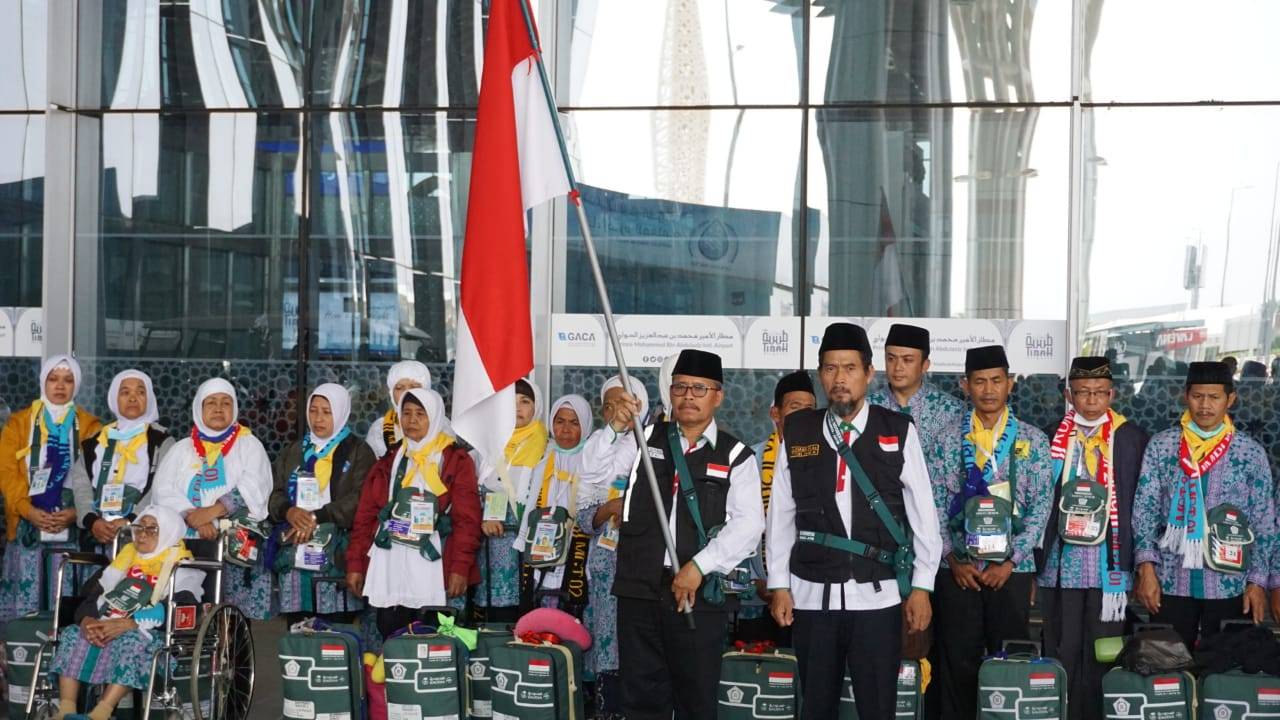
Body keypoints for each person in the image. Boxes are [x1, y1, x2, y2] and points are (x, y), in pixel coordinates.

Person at [766, 323, 942, 719]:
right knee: (816, 706)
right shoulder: (798, 430)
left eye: (849, 368)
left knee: (878, 707)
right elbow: (781, 514)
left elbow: (923, 515)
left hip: (877, 596)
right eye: (830, 369)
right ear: (820, 374)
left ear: (868, 373)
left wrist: (921, 586)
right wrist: (778, 583)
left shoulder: (896, 430)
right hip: (812, 595)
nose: (839, 378)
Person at [613, 349, 764, 720]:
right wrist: (615, 429)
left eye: (699, 388)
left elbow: (748, 526)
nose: (688, 397)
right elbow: (595, 473)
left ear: (718, 395)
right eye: (680, 387)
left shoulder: (736, 455)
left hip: (696, 595)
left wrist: (699, 566)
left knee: (696, 699)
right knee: (640, 698)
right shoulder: (644, 437)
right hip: (639, 590)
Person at [933, 345, 1052, 720]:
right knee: (958, 660)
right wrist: (951, 558)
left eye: (996, 381)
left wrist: (1013, 559)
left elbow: (1042, 506)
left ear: (1010, 384)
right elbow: (933, 502)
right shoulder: (947, 438)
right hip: (959, 573)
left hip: (1009, 574)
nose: (988, 389)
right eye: (979, 381)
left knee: (1010, 660)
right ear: (965, 386)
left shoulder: (1033, 440)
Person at [1132, 361, 1275, 650]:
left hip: (1230, 583)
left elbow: (1263, 521)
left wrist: (1258, 581)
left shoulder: (1250, 452)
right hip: (1170, 579)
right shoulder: (1163, 446)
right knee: (1166, 669)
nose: (1205, 406)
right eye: (1198, 396)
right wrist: (1146, 569)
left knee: (1223, 669)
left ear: (1230, 399)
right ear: (1185, 396)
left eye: (1214, 397)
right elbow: (1144, 509)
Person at [1037, 357, 1149, 720]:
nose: (1091, 400)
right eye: (1083, 392)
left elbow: (1140, 502)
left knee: (1106, 647)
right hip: (1061, 563)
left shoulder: (1130, 438)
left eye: (1100, 393)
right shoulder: (1051, 434)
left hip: (1108, 565)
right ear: (1069, 394)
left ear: (1112, 394)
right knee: (1063, 646)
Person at [345, 388, 482, 638]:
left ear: (436, 417)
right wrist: (356, 563)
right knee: (391, 631)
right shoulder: (390, 460)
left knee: (437, 638)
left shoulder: (454, 461)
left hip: (436, 567)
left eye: (421, 413)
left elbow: (467, 520)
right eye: (406, 413)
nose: (412, 420)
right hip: (391, 565)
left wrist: (460, 568)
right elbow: (366, 516)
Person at [49, 506, 203, 720]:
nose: (142, 534)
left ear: (168, 532)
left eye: (153, 529)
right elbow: (91, 598)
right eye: (139, 527)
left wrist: (131, 624)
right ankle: (66, 710)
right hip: (107, 623)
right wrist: (87, 621)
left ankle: (101, 713)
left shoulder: (182, 567)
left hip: (150, 633)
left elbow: (183, 610)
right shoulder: (123, 560)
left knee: (131, 641)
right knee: (73, 634)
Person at [152, 378, 274, 620]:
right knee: (186, 612)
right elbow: (162, 491)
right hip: (186, 543)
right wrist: (191, 515)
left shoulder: (249, 445)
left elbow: (256, 486)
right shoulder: (182, 449)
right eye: (211, 403)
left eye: (226, 402)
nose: (218, 408)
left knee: (231, 621)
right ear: (199, 407)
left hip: (233, 547)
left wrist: (214, 511)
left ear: (235, 408)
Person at [0, 355, 102, 621]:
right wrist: (27, 510)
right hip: (28, 525)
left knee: (65, 599)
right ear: (43, 382)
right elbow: (7, 473)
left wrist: (75, 512)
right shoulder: (19, 423)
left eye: (68, 380)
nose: (60, 386)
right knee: (25, 603)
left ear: (76, 385)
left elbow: (97, 477)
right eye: (53, 379)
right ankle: (22, 656)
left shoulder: (91, 426)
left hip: (72, 523)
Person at [269, 383, 376, 620]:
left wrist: (320, 516)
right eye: (313, 410)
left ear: (340, 413)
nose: (318, 418)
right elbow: (275, 493)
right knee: (298, 629)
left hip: (336, 550)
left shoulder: (358, 451)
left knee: (335, 635)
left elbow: (361, 499)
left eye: (326, 412)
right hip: (296, 550)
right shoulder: (295, 451)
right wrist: (289, 512)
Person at [576, 374, 647, 720]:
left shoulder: (654, 446)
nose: (620, 410)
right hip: (607, 565)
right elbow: (583, 514)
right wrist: (611, 508)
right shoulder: (595, 447)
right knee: (608, 642)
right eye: (612, 404)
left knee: (642, 646)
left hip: (646, 567)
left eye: (627, 403)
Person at [737, 370, 816, 644]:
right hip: (758, 596)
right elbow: (737, 524)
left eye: (810, 409)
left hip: (811, 594)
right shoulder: (750, 460)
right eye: (795, 408)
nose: (804, 415)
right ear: (775, 413)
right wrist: (755, 582)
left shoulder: (826, 459)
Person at [69, 369, 174, 555]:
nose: (133, 398)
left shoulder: (161, 441)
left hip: (142, 535)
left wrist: (132, 521)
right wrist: (93, 522)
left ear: (149, 398)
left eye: (140, 392)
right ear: (113, 399)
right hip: (98, 535)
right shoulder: (95, 441)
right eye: (125, 392)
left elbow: (162, 486)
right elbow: (81, 484)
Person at [474, 377, 548, 622]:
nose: (517, 408)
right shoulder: (484, 448)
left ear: (535, 407)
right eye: (511, 402)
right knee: (496, 618)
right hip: (492, 551)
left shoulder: (547, 449)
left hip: (530, 551)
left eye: (525, 401)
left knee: (529, 616)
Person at [514, 394, 595, 614]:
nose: (566, 429)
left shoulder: (592, 462)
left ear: (585, 425)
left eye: (574, 422)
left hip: (576, 548)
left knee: (571, 606)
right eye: (560, 422)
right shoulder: (544, 461)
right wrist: (523, 540)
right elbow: (532, 505)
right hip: (543, 544)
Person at [867, 323, 967, 490]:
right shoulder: (868, 408)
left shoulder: (953, 410)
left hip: (937, 513)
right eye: (891, 359)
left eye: (907, 360)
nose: (898, 367)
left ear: (925, 365)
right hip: (883, 511)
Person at [365, 360, 432, 458]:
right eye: (400, 388)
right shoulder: (379, 429)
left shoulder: (440, 425)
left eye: (414, 387)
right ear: (391, 393)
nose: (407, 392)